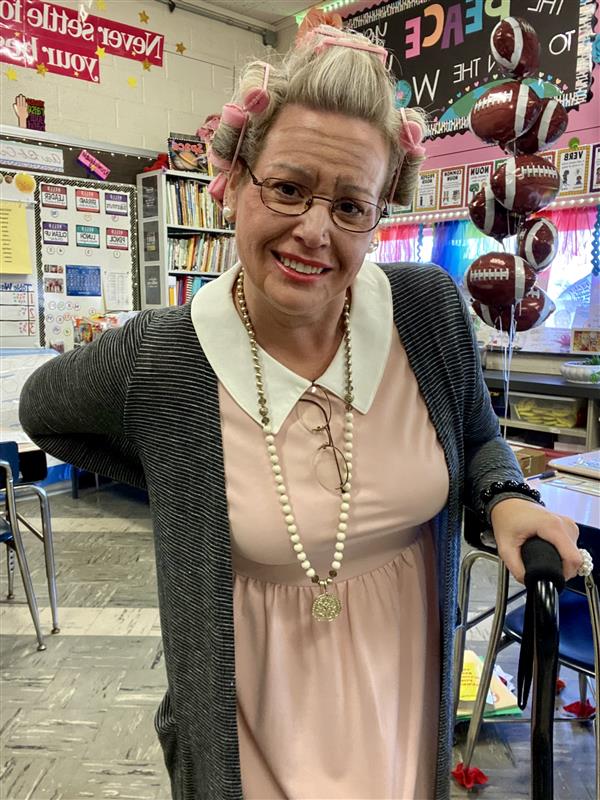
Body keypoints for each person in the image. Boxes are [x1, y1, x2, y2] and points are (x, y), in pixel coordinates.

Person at [19, 22, 584, 800]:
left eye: (351, 205)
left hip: (402, 715)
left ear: (378, 215)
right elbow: (41, 408)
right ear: (235, 179)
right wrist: (176, 477)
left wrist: (508, 499)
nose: (314, 231)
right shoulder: (166, 354)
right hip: (251, 739)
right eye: (287, 188)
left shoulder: (426, 311)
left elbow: (477, 438)